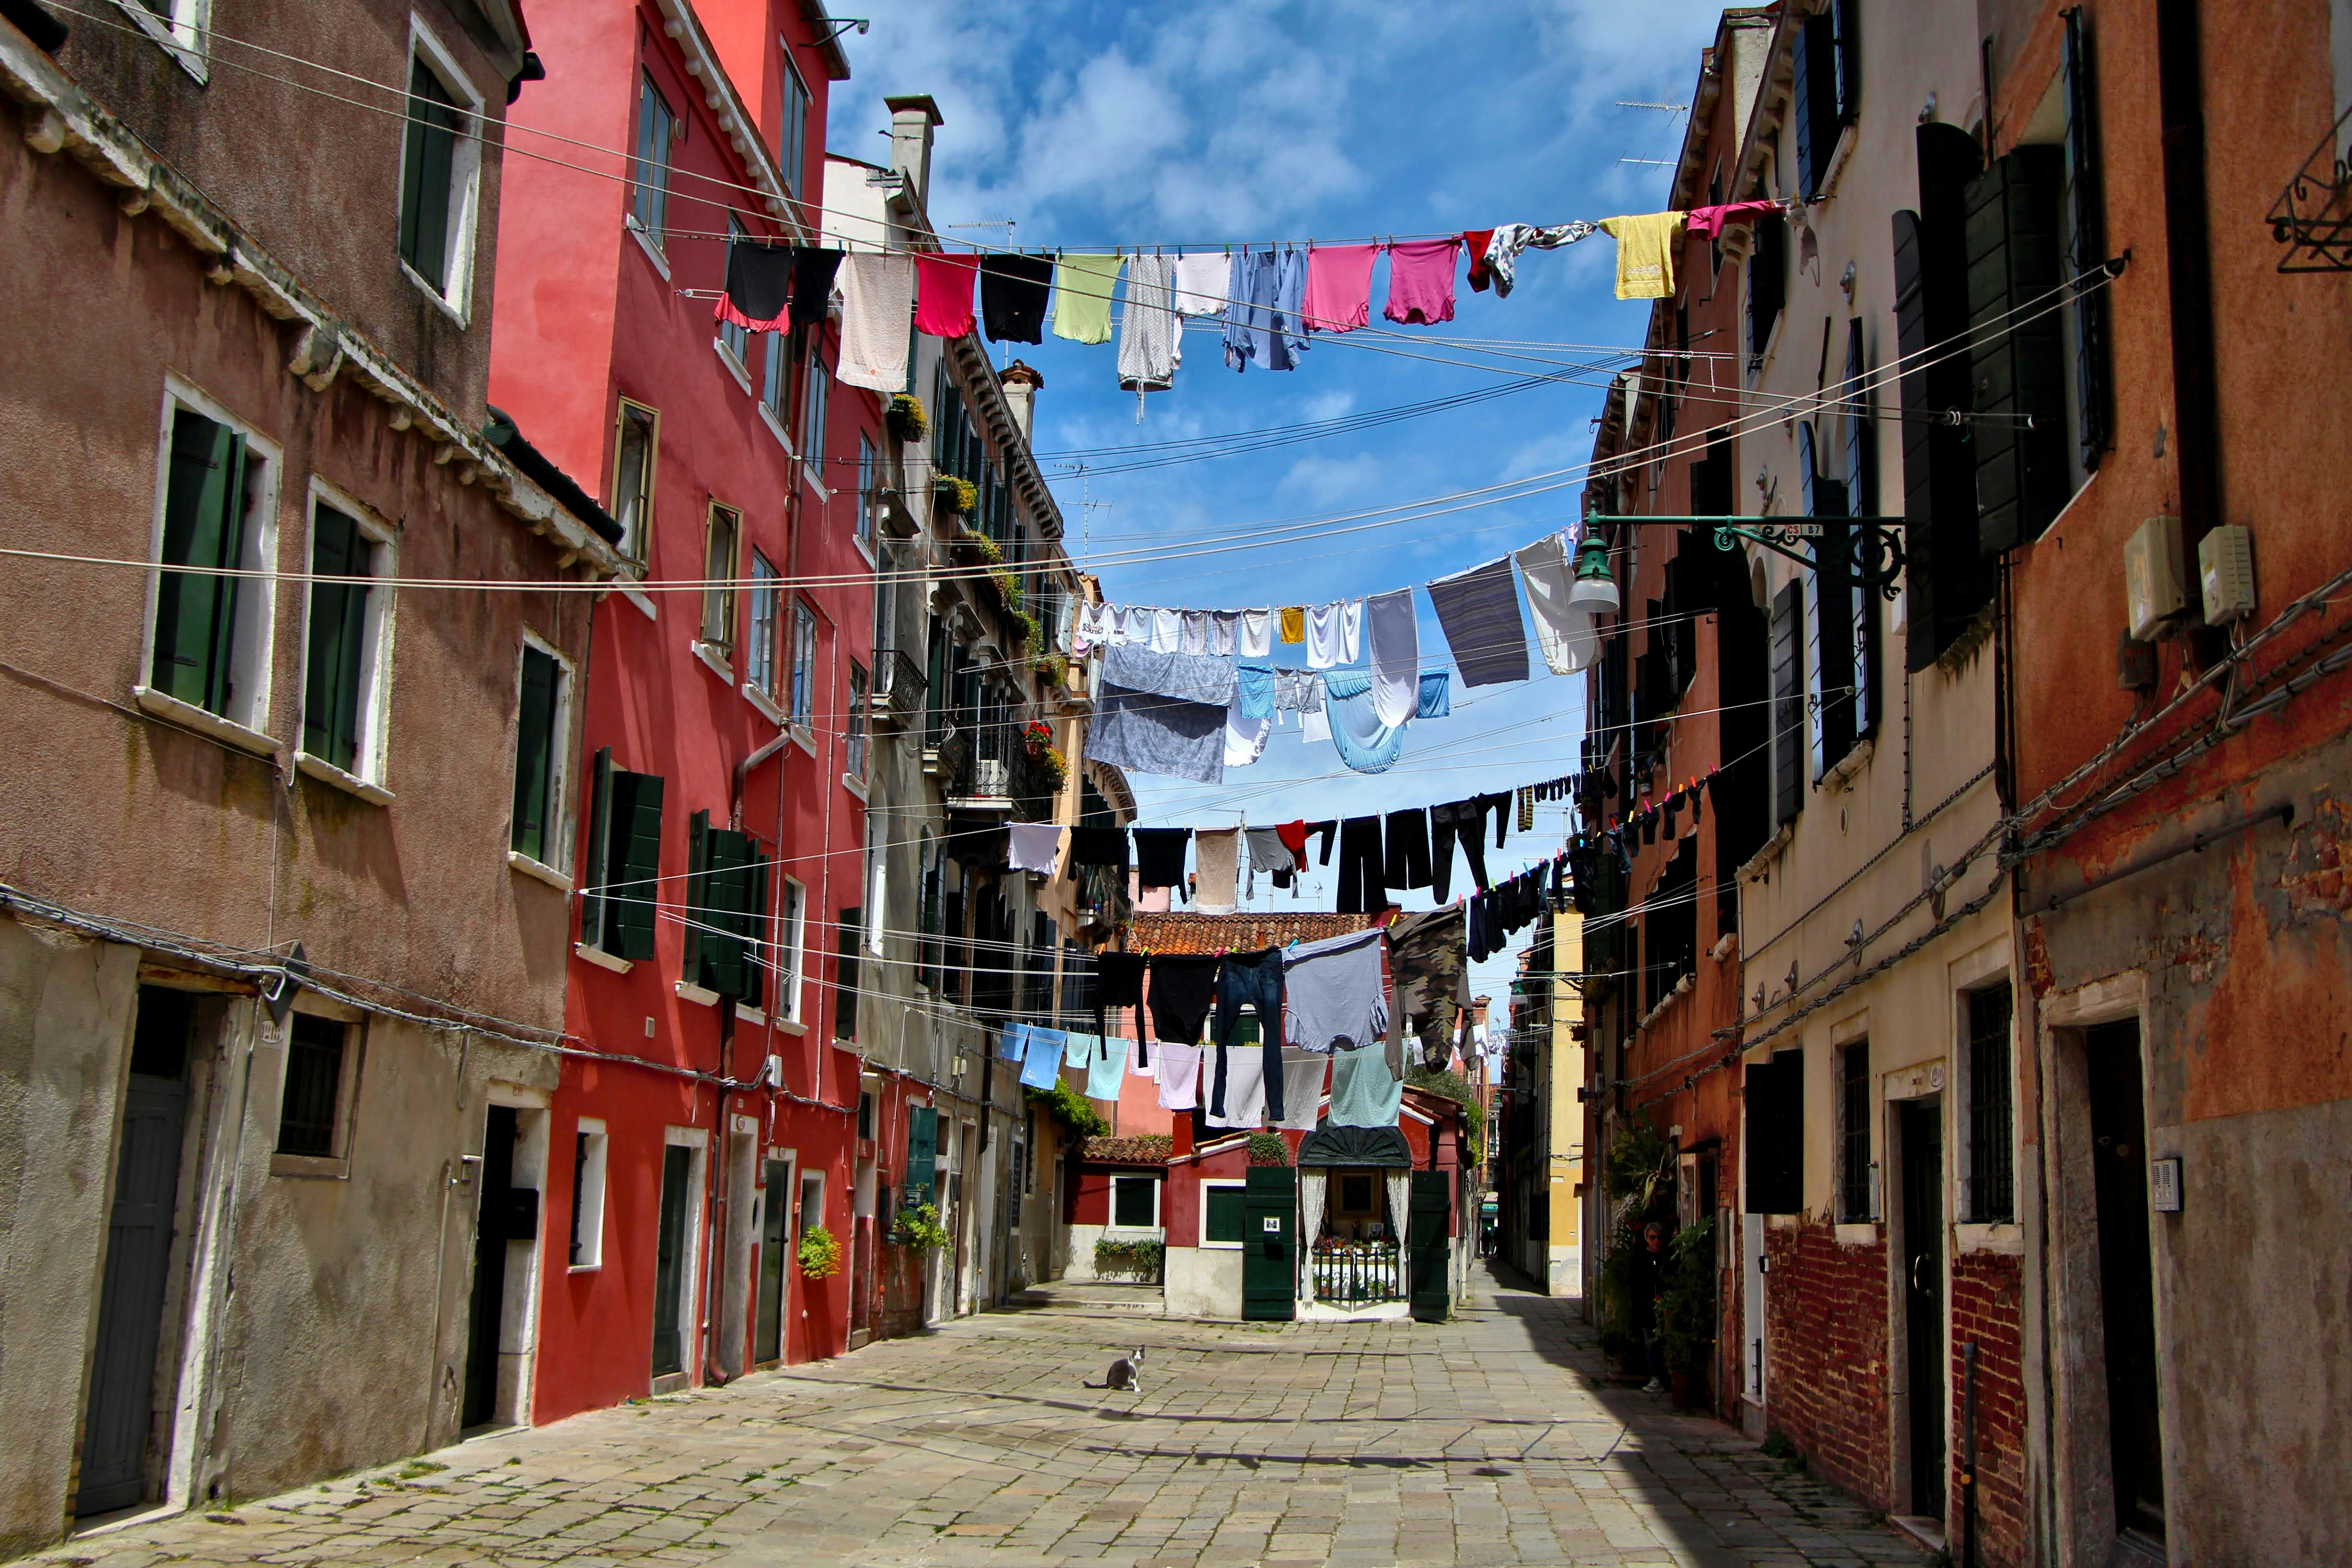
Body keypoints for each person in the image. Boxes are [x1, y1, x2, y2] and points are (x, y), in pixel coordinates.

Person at [1629, 1221, 1669, 1394]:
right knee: (1651, 1344)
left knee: (1665, 1343)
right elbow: (1635, 1283)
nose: (1656, 1241)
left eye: (1659, 1238)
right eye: (1653, 1238)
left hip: (1666, 1307)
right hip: (1647, 1309)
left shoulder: (1667, 1257)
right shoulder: (1640, 1258)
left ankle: (1664, 1378)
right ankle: (1655, 1378)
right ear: (1647, 1238)